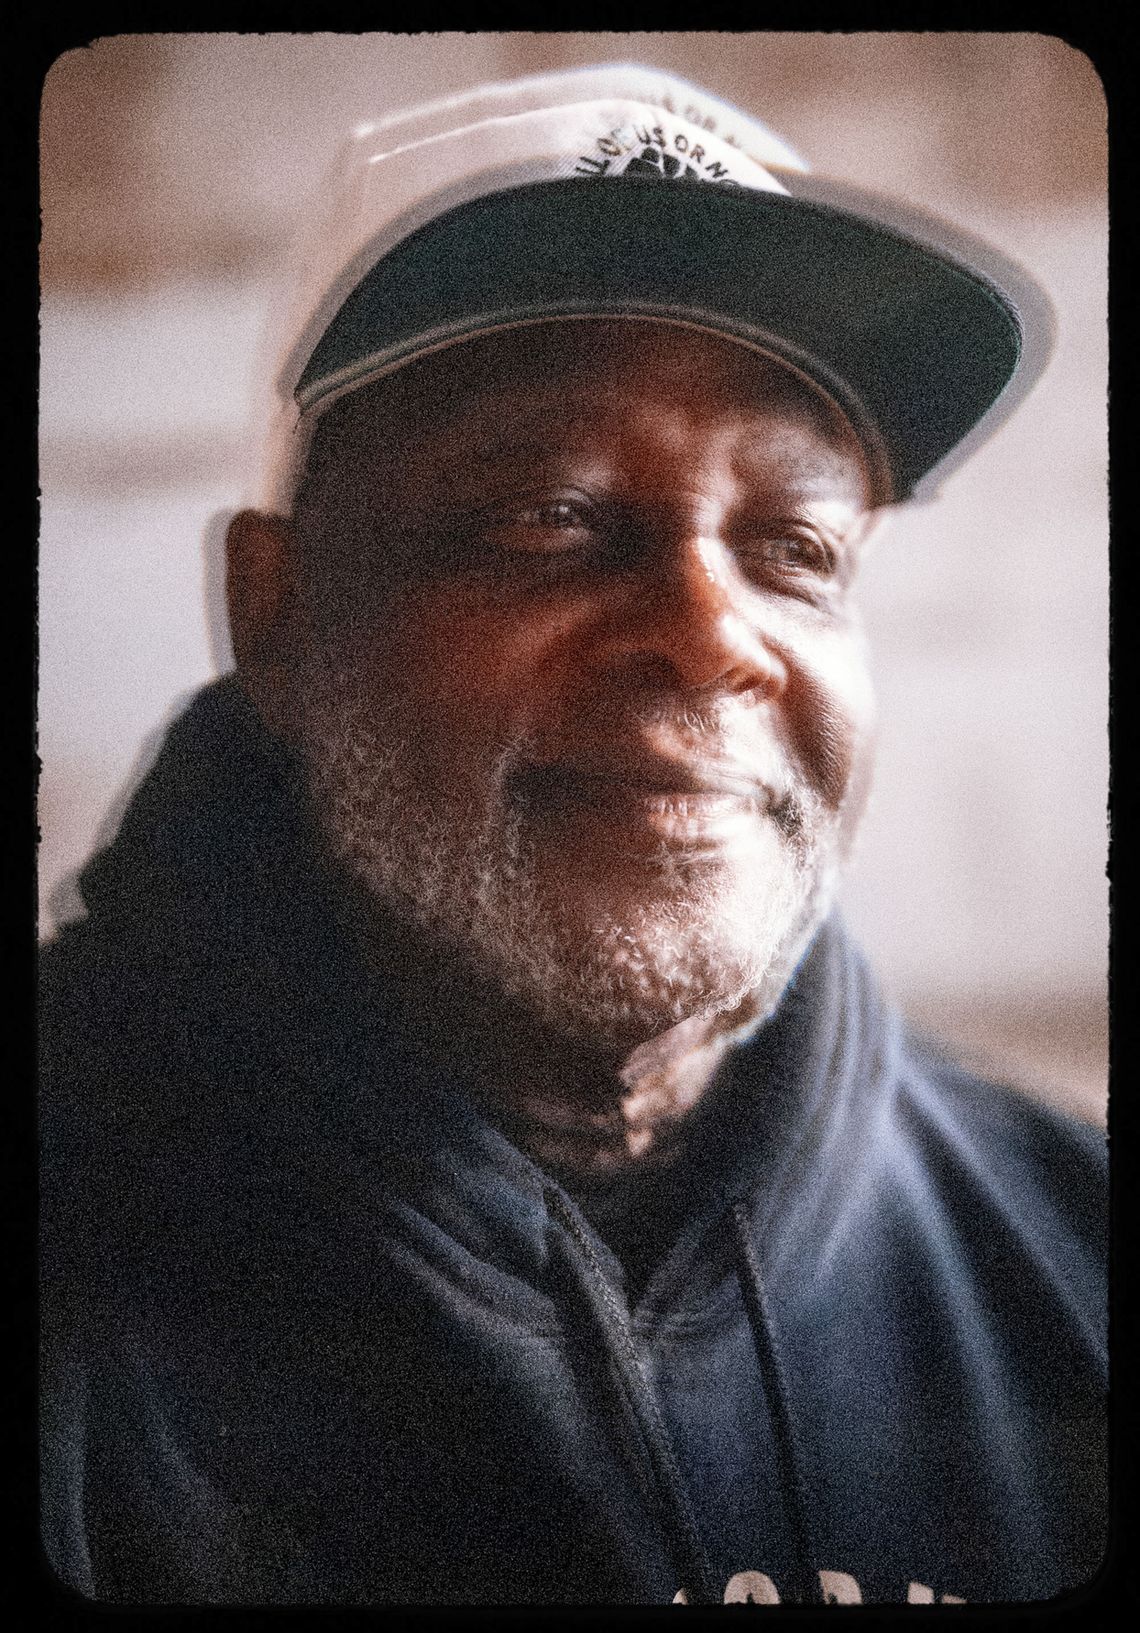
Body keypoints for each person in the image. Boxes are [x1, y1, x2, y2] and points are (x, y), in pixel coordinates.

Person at [39, 66, 1106, 1606]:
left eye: (795, 547)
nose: (709, 634)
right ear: (274, 614)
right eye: (552, 513)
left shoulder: (1069, 1251)